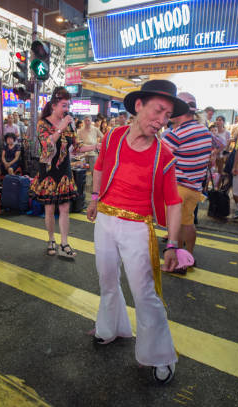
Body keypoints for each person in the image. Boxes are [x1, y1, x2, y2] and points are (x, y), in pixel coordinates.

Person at [86, 79, 187, 385]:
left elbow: (173, 203)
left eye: (168, 115)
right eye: (159, 110)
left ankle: (160, 356)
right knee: (106, 280)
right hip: (105, 219)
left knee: (144, 294)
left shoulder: (164, 155)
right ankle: (111, 328)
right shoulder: (114, 135)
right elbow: (101, 165)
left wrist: (171, 244)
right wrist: (94, 197)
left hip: (137, 227)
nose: (162, 120)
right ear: (139, 106)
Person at [30, 87, 95, 258]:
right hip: (49, 171)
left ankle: (64, 242)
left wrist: (96, 146)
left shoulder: (69, 124)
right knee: (50, 208)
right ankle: (51, 239)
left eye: (68, 106)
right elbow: (47, 145)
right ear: (54, 105)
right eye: (64, 105)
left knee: (65, 208)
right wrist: (61, 127)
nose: (67, 109)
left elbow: (78, 147)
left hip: (65, 171)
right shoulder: (43, 123)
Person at [162, 92, 213, 261]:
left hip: (177, 187)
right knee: (188, 223)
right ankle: (189, 255)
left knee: (175, 226)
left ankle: (176, 258)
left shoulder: (174, 134)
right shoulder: (205, 130)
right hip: (195, 188)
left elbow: (158, 160)